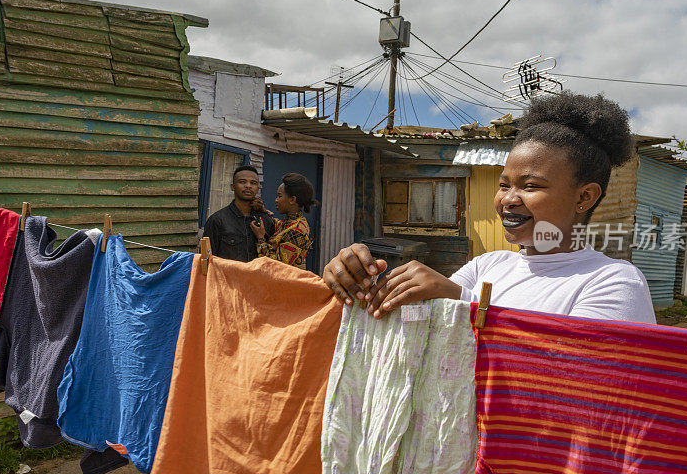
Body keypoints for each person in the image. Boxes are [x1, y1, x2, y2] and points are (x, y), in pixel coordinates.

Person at [322, 91, 657, 324]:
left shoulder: (613, 282)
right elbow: (423, 325)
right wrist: (359, 281)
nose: (508, 199)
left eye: (531, 186)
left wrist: (460, 300)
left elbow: (576, 383)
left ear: (584, 197)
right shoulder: (486, 267)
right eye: (503, 184)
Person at [203, 165, 275, 261]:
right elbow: (207, 261)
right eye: (242, 182)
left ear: (258, 188)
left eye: (253, 183)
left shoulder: (266, 221)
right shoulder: (217, 220)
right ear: (233, 187)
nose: (248, 186)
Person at [250, 173, 319, 269]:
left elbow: (276, 266)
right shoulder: (291, 222)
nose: (276, 200)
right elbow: (278, 225)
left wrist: (261, 238)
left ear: (292, 200)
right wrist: (263, 211)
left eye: (279, 196)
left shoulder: (297, 230)